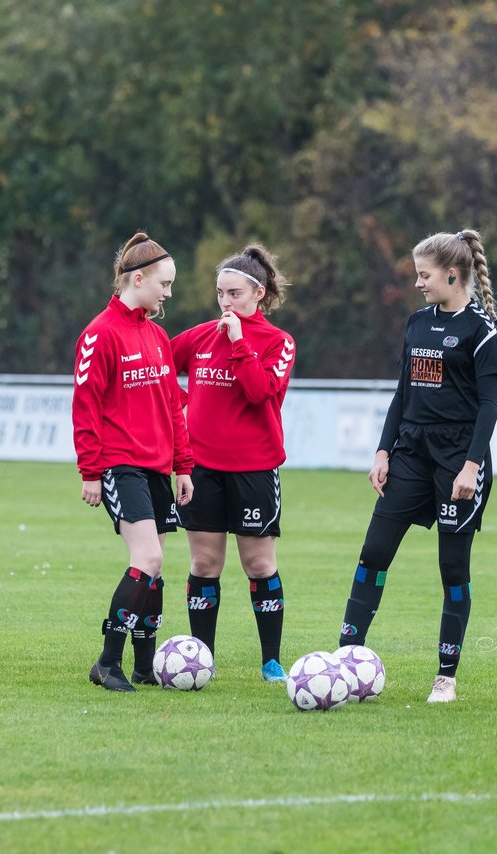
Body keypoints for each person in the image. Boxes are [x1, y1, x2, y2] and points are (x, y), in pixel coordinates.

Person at [337, 230, 497, 703]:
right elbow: (402, 394)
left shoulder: (481, 332)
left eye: (424, 275)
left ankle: (446, 676)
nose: (418, 283)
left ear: (452, 274)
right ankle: (346, 658)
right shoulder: (417, 324)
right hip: (411, 453)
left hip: (458, 461)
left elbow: (489, 407)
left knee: (452, 569)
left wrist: (471, 466)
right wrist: (382, 450)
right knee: (373, 553)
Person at [72, 232, 194, 692]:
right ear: (137, 278)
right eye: (164, 283)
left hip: (157, 468)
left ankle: (145, 665)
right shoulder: (99, 334)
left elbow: (172, 407)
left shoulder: (158, 336)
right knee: (148, 557)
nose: (168, 292)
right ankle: (107, 661)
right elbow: (84, 407)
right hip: (119, 466)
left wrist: (183, 465)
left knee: (156, 565)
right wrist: (90, 471)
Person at [170, 244, 295, 682]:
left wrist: (240, 344)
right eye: (220, 294)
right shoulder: (200, 336)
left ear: (258, 294)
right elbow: (158, 368)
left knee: (259, 566)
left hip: (255, 470)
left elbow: (261, 393)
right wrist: (183, 406)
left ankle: (271, 661)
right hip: (200, 468)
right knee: (204, 566)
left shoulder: (278, 343)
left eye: (235, 294)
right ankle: (201, 659)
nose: (225, 303)